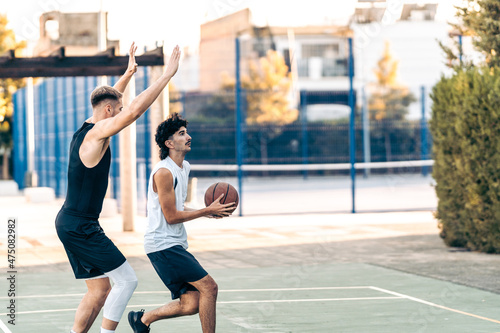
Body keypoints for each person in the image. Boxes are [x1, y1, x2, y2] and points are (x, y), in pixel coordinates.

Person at [55, 43, 181, 333]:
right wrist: (166, 76)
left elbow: (111, 100)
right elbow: (134, 111)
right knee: (127, 280)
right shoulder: (98, 133)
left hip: (71, 222)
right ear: (110, 111)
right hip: (80, 227)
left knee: (99, 291)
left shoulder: (88, 124)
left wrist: (127, 75)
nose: (122, 113)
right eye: (118, 110)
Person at [128, 113, 235, 333]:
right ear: (169, 143)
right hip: (163, 245)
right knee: (210, 287)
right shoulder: (164, 172)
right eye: (182, 133)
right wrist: (206, 209)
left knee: (191, 304)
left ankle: (143, 320)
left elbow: (178, 207)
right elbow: (171, 217)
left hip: (173, 244)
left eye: (186, 132)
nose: (189, 137)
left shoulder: (183, 167)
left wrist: (207, 213)